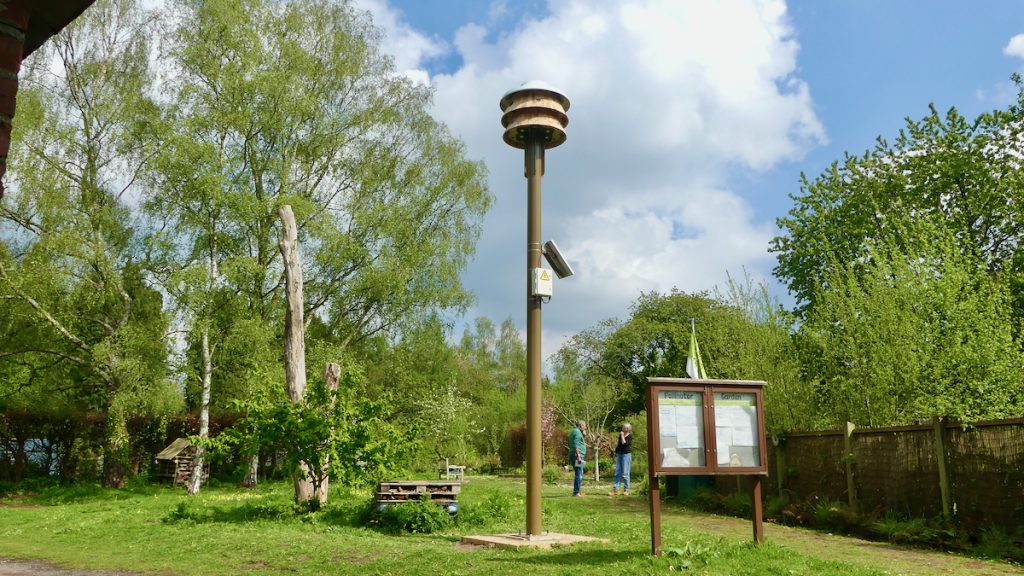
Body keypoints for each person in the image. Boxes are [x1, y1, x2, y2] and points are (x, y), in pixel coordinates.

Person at [609, 423, 633, 496]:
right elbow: (619, 445)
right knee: (617, 472)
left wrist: (622, 435)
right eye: (623, 427)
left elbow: (624, 444)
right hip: (619, 454)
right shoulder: (620, 435)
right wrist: (615, 453)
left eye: (624, 428)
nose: (622, 429)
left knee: (625, 473)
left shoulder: (630, 436)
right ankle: (616, 489)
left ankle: (626, 489)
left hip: (626, 455)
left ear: (628, 429)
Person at [568, 419, 587, 496]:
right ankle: (576, 492)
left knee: (579, 472)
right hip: (578, 456)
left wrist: (583, 435)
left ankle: (577, 491)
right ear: (581, 425)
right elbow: (576, 444)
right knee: (579, 473)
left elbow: (578, 441)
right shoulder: (577, 432)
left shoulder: (575, 431)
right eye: (585, 426)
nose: (585, 427)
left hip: (576, 455)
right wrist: (578, 456)